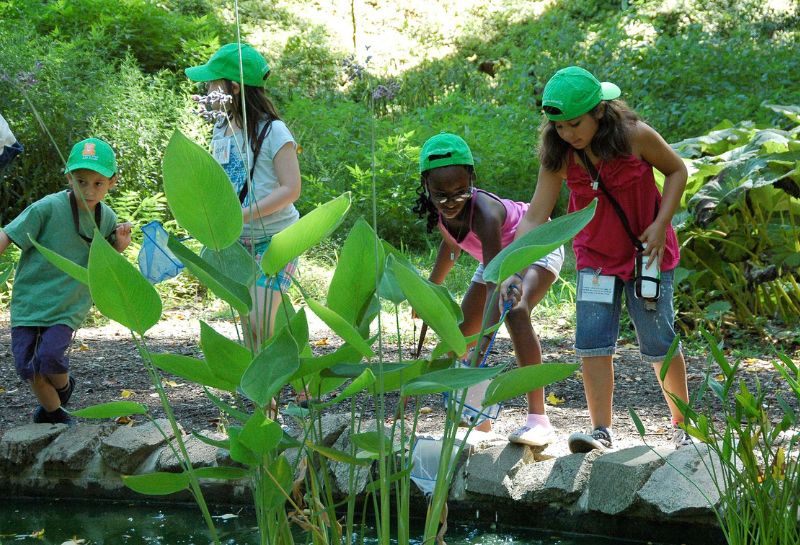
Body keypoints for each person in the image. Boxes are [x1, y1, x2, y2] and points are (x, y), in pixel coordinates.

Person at [502, 66, 691, 452]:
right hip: (595, 259)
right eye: (558, 126)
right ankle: (601, 430)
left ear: (599, 112)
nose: (568, 134)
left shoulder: (635, 136)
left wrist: (661, 224)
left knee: (658, 342)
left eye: (574, 124)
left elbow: (676, 170)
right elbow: (536, 215)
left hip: (647, 254)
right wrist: (514, 269)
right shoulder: (559, 154)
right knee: (592, 342)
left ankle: (685, 426)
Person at [413, 133, 564, 447]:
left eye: (460, 192)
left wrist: (484, 341)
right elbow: (451, 247)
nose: (451, 201)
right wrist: (430, 291)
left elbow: (498, 279)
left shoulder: (483, 211)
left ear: (471, 179)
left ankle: (539, 419)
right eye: (441, 195)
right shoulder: (443, 210)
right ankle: (477, 418)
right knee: (461, 335)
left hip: (533, 245)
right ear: (426, 186)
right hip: (496, 260)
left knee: (515, 312)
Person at [185, 43, 304, 405]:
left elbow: (291, 189)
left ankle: (299, 390)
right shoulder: (221, 132)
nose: (207, 91)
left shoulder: (275, 132)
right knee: (254, 328)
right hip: (238, 244)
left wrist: (243, 215)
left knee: (260, 323)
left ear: (235, 87)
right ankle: (268, 407)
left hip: (279, 239)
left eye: (213, 84)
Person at [0, 137, 132, 425]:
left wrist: (118, 247)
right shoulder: (46, 208)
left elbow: (103, 261)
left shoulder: (106, 217)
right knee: (27, 365)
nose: (89, 190)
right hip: (30, 300)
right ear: (69, 177)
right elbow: (8, 234)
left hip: (70, 303)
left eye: (98, 183)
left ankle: (61, 397)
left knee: (49, 356)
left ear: (112, 182)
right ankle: (55, 411)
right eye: (81, 181)